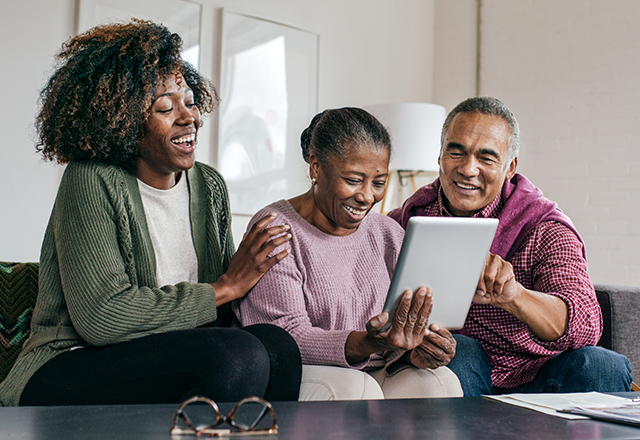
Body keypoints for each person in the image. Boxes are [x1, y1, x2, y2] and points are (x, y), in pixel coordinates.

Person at [0, 19, 302, 407]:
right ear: (122, 121)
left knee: (278, 348)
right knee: (235, 355)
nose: (187, 117)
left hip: (170, 356)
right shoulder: (90, 179)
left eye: (190, 102)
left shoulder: (209, 186)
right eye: (164, 107)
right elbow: (102, 316)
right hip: (67, 365)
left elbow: (223, 314)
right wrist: (225, 287)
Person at [388, 96, 632, 396]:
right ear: (439, 156)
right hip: (458, 366)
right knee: (461, 350)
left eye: (486, 157)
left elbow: (584, 324)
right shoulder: (404, 222)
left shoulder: (544, 226)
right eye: (456, 151)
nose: (468, 168)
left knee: (604, 365)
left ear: (509, 167)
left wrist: (514, 296)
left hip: (538, 373)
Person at [233, 108, 462, 400]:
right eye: (354, 180)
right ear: (316, 167)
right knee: (356, 389)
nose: (367, 196)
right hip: (296, 372)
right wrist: (366, 343)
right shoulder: (275, 229)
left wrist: (415, 350)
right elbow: (286, 339)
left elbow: (399, 330)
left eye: (378, 182)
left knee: (439, 381)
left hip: (371, 368)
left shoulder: (386, 232)